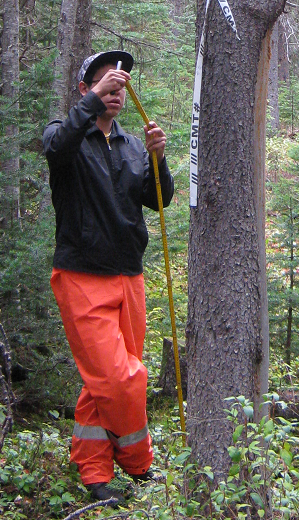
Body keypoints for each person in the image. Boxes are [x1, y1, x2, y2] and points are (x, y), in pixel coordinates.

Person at [43, 50, 174, 503]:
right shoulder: (64, 135)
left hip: (129, 276)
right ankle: (138, 463)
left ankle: (95, 473)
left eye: (119, 87)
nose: (115, 94)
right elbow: (57, 150)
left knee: (102, 381)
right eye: (105, 86)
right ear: (85, 90)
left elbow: (159, 201)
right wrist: (92, 102)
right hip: (81, 274)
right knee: (121, 379)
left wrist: (158, 159)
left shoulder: (132, 144)